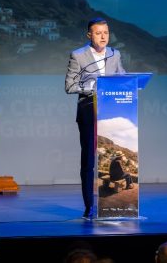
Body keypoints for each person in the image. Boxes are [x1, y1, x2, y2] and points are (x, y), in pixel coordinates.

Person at [65, 17, 126, 219]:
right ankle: (89, 205)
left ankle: (114, 207)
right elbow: (70, 86)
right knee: (89, 160)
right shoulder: (78, 55)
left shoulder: (115, 54)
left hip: (112, 111)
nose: (103, 37)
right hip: (89, 110)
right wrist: (93, 88)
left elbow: (122, 78)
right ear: (89, 35)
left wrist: (128, 83)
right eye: (98, 33)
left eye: (106, 33)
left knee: (112, 153)